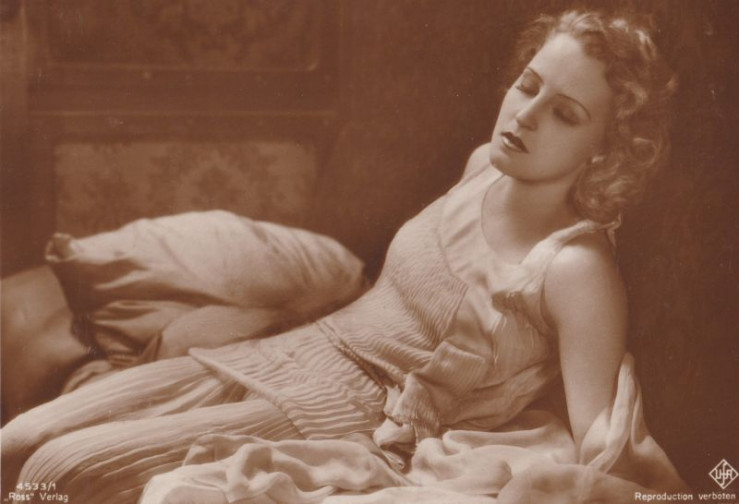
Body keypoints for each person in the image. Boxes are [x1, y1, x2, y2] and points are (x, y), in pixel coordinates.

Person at [1, 8, 677, 503]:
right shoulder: (483, 166)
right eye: (528, 85)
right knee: (14, 444)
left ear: (605, 150)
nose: (525, 115)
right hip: (285, 352)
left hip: (342, 419)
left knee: (55, 473)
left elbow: (600, 439)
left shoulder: (577, 269)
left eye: (565, 113)